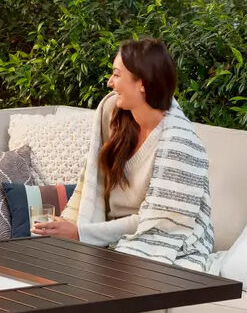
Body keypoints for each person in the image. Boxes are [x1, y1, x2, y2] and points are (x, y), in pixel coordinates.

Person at [34, 38, 214, 270]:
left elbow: (157, 225)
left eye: (117, 75)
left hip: (159, 242)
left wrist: (81, 233)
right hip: (107, 236)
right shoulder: (113, 114)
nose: (110, 82)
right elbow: (90, 181)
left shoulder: (179, 142)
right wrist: (67, 225)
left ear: (142, 83)